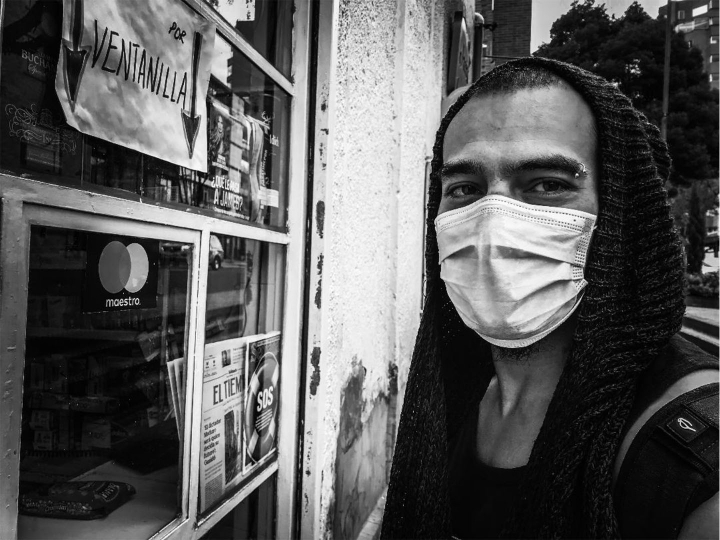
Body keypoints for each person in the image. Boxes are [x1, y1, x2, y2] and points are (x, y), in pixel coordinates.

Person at [381, 57, 718, 539]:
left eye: (547, 185)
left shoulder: (691, 464)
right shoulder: (453, 393)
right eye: (464, 188)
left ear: (622, 209)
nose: (493, 223)